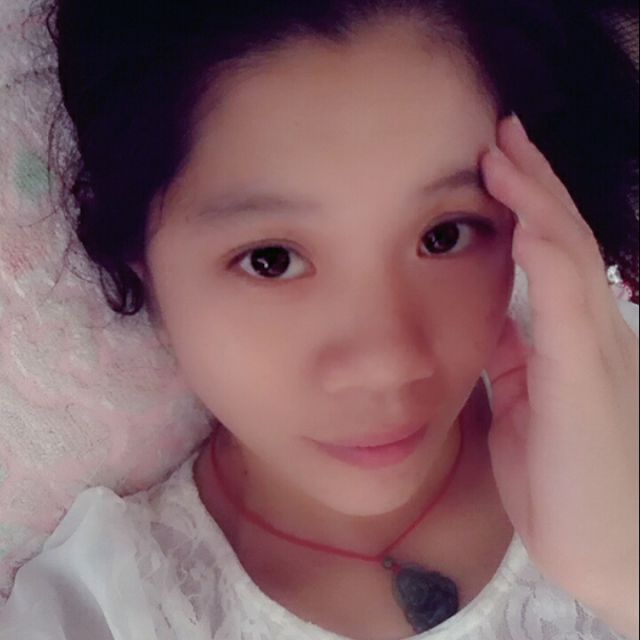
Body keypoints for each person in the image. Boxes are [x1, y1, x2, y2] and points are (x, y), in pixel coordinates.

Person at [1, 0, 638, 638]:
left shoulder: (616, 405)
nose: (386, 364)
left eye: (445, 235)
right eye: (271, 260)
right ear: (140, 260)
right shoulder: (103, 610)